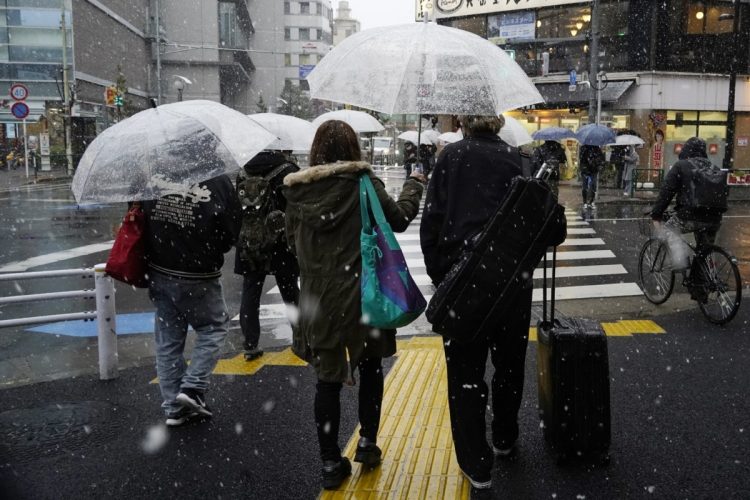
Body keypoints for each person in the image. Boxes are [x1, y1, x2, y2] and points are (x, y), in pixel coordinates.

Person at [283, 120, 425, 490]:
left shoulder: (298, 192)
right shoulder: (363, 182)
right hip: (365, 290)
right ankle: (367, 442)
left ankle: (330, 461)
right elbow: (400, 219)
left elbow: (289, 242)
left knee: (326, 380)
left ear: (316, 152)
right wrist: (415, 186)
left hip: (317, 296)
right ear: (353, 149)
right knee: (371, 365)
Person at [420, 115, 532, 491]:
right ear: (497, 122)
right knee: (509, 363)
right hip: (512, 281)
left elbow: (432, 222)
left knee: (465, 374)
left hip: (464, 281)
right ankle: (504, 434)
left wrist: (442, 276)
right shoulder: (519, 159)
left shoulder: (451, 158)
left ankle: (476, 464)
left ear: (465, 120)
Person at [143, 173, 242, 427]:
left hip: (159, 267)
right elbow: (231, 229)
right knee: (214, 327)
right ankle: (193, 387)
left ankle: (174, 407)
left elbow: (141, 216)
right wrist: (209, 247)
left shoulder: (155, 174)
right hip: (198, 272)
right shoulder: (216, 179)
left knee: (168, 339)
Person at [234, 150, 300, 361]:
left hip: (250, 242)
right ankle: (300, 338)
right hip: (280, 242)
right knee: (290, 292)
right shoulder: (287, 171)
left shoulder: (243, 172)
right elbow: (298, 207)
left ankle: (250, 344)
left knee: (250, 292)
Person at [651, 137, 726, 297]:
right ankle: (699, 287)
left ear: (686, 150)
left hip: (690, 215)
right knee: (703, 251)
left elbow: (667, 191)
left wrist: (656, 214)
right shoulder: (714, 167)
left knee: (669, 230)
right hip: (714, 218)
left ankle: (680, 260)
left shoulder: (681, 165)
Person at [579, 144, 605, 208]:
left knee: (593, 186)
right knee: (585, 187)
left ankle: (591, 201)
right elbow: (581, 159)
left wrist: (597, 164)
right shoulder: (584, 148)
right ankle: (585, 201)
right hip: (586, 170)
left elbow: (601, 159)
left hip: (593, 170)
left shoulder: (597, 149)